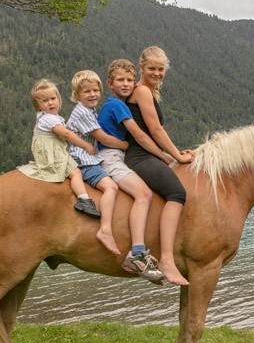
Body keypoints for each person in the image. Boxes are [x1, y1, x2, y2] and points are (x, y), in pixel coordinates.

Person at [124, 47, 194, 286]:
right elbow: (154, 130)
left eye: (160, 69)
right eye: (151, 68)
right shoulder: (142, 91)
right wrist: (176, 156)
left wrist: (170, 154)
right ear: (141, 67)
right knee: (177, 193)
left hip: (147, 154)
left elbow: (151, 133)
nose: (156, 73)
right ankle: (166, 259)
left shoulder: (149, 92)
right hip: (138, 157)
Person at [97, 60, 166, 283]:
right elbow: (140, 135)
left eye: (129, 80)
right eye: (120, 80)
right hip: (111, 159)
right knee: (143, 194)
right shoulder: (118, 106)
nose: (126, 84)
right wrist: (166, 156)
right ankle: (136, 254)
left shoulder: (114, 104)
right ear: (110, 83)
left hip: (116, 157)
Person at [66, 70, 129, 255]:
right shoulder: (83, 112)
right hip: (83, 160)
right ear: (77, 95)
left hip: (89, 157)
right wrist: (126, 145)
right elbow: (103, 138)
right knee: (111, 187)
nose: (93, 94)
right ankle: (105, 230)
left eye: (96, 90)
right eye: (87, 92)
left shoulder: (89, 109)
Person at [17, 79, 100, 218]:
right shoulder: (49, 119)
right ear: (38, 106)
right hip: (53, 153)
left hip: (51, 150)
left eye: (53, 98)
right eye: (44, 101)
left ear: (58, 99)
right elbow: (66, 134)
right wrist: (85, 145)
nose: (50, 103)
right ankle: (83, 199)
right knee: (76, 173)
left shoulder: (49, 117)